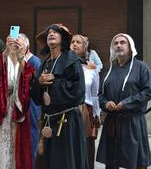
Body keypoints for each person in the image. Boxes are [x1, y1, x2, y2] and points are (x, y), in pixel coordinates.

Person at [31, 24, 88, 169]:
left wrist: (53, 83)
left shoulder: (71, 59)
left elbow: (79, 91)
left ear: (62, 38)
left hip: (68, 120)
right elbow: (36, 97)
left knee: (66, 160)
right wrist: (39, 82)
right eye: (49, 32)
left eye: (55, 32)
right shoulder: (44, 63)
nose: (51, 34)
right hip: (48, 119)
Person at [96, 33, 151, 169]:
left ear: (130, 47)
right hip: (113, 122)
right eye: (116, 43)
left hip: (133, 122)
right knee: (111, 162)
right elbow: (100, 95)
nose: (119, 45)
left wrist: (126, 103)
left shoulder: (141, 67)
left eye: (123, 42)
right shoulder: (109, 69)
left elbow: (148, 91)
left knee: (136, 162)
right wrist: (105, 103)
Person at [0, 33, 35, 169]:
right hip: (2, 110)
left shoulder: (25, 64)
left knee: (18, 146)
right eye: (12, 43)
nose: (14, 46)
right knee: (1, 144)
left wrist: (20, 57)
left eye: (18, 44)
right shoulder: (1, 62)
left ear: (25, 47)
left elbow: (29, 77)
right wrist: (6, 52)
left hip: (18, 110)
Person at [70, 34, 101, 169]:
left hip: (85, 111)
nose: (74, 44)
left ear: (84, 47)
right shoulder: (64, 66)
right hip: (68, 109)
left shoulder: (91, 70)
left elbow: (94, 95)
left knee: (85, 146)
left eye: (78, 42)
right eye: (72, 42)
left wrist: (96, 115)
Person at [20, 33, 42, 164]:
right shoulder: (14, 59)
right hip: (19, 104)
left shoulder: (34, 61)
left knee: (31, 135)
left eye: (20, 44)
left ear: (27, 45)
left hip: (32, 104)